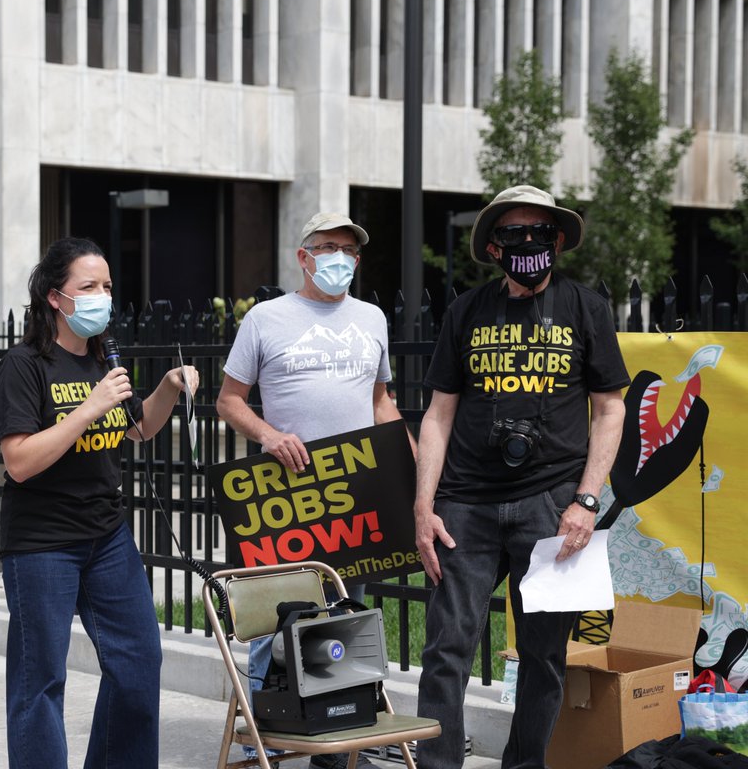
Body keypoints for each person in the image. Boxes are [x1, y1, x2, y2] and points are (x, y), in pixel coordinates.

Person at [413, 185, 629, 769]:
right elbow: (438, 413)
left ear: (558, 241)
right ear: (493, 247)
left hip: (553, 506)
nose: (527, 244)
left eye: (539, 233)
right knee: (446, 651)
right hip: (465, 507)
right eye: (512, 235)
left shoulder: (587, 308)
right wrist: (423, 506)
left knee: (544, 659)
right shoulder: (466, 311)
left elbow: (611, 408)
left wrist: (587, 501)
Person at [0, 237, 199, 769]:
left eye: (106, 286)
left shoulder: (105, 359)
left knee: (139, 661)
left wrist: (170, 388)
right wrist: (85, 409)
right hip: (42, 544)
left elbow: (137, 429)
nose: (101, 296)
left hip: (107, 537)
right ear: (55, 298)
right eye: (88, 287)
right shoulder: (24, 364)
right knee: (40, 680)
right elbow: (18, 460)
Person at [216, 212, 411, 769]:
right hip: (286, 493)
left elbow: (382, 402)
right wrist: (270, 435)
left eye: (349, 250)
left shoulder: (372, 318)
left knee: (346, 615)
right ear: (303, 257)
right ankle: (262, 733)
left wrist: (413, 471)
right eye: (327, 247)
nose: (339, 258)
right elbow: (229, 401)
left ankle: (342, 738)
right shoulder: (265, 319)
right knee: (271, 616)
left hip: (355, 491)